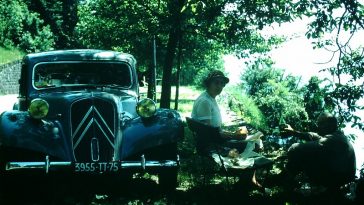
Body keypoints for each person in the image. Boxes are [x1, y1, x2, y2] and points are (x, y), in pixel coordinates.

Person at [280, 112, 356, 189]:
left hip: (337, 182)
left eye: (320, 123)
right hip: (340, 179)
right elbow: (313, 135)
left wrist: (291, 151)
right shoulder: (338, 136)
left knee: (302, 153)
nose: (317, 126)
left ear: (330, 125)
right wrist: (294, 132)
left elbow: (297, 149)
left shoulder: (334, 140)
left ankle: (285, 181)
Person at [191, 70, 247, 139]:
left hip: (213, 141)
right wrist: (233, 136)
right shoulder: (205, 101)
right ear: (208, 84)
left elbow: (215, 130)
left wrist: (232, 134)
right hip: (209, 146)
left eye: (222, 83)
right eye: (216, 83)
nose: (219, 86)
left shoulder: (210, 98)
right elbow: (207, 133)